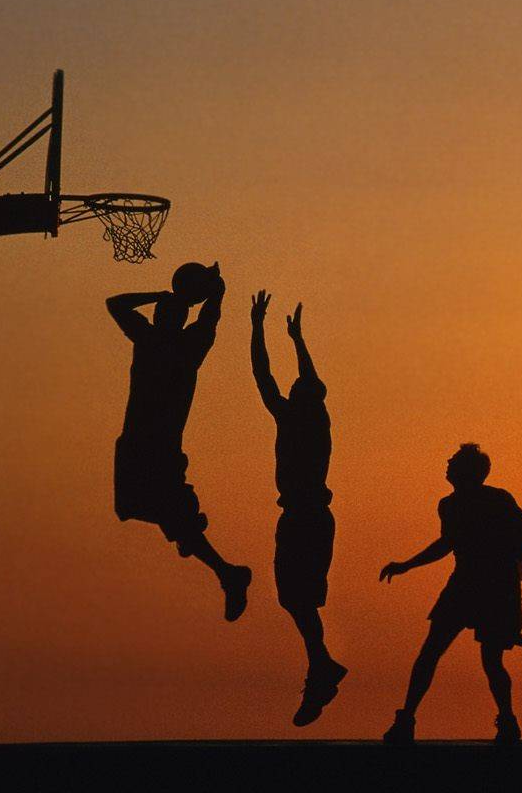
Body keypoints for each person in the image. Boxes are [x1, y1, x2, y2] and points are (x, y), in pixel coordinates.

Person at [108, 262, 252, 620]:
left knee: (162, 516)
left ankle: (222, 566)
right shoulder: (191, 344)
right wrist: (216, 290)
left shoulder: (149, 339)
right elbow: (211, 316)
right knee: (147, 512)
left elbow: (115, 304)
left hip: (147, 447)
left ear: (162, 316)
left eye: (161, 309)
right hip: (149, 447)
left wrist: (157, 294)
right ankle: (209, 553)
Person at [378, 444, 522, 745]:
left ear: (467, 470)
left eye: (454, 461)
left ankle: (507, 721)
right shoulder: (449, 505)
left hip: (495, 586)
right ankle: (407, 720)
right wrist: (407, 565)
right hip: (467, 583)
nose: (447, 463)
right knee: (432, 653)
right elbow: (447, 544)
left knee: (487, 660)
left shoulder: (497, 499)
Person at [251, 291, 347, 726]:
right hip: (310, 517)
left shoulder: (293, 420)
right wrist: (297, 339)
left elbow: (263, 376)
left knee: (297, 599)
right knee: (297, 599)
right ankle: (322, 665)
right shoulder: (317, 418)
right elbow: (304, 379)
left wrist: (257, 329)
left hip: (303, 517)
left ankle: (322, 668)